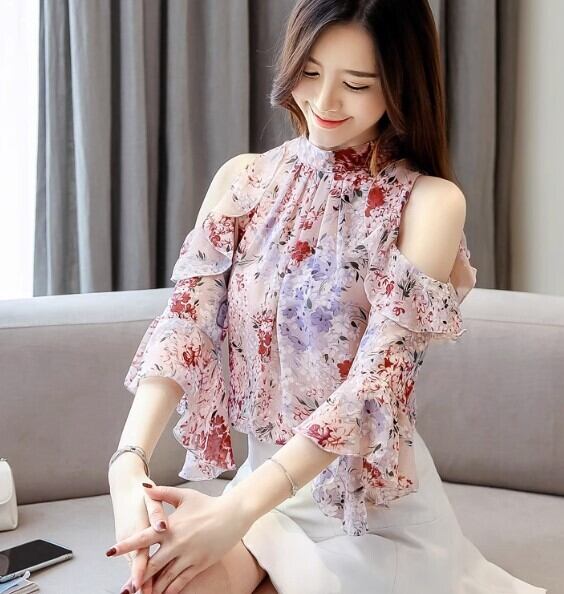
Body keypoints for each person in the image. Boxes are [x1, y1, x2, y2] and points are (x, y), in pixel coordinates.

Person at [106, 1, 547, 593]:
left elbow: (371, 390)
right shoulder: (245, 179)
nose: (325, 101)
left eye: (358, 83)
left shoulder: (431, 204)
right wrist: (127, 463)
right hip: (262, 496)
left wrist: (235, 511)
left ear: (401, 86)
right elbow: (184, 327)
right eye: (310, 72)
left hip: (368, 515)